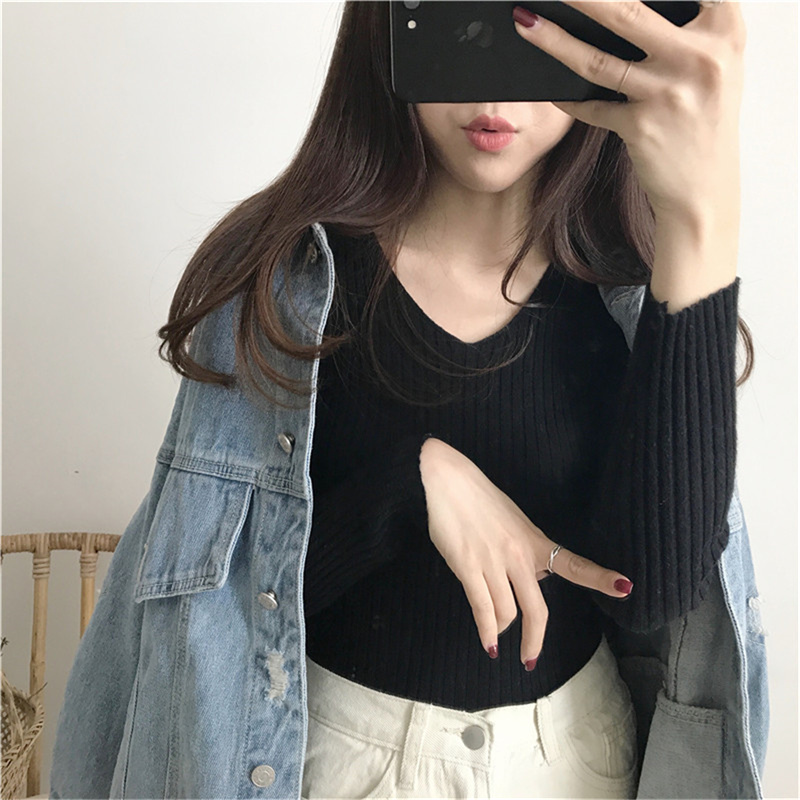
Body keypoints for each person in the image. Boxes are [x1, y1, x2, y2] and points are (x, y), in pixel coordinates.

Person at [50, 2, 768, 799]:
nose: (494, 96)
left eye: (534, 38)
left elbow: (655, 595)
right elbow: (218, 621)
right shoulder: (286, 283)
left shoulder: (627, 293)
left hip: (573, 763)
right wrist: (406, 487)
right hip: (325, 759)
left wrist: (702, 213)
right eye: (466, 28)